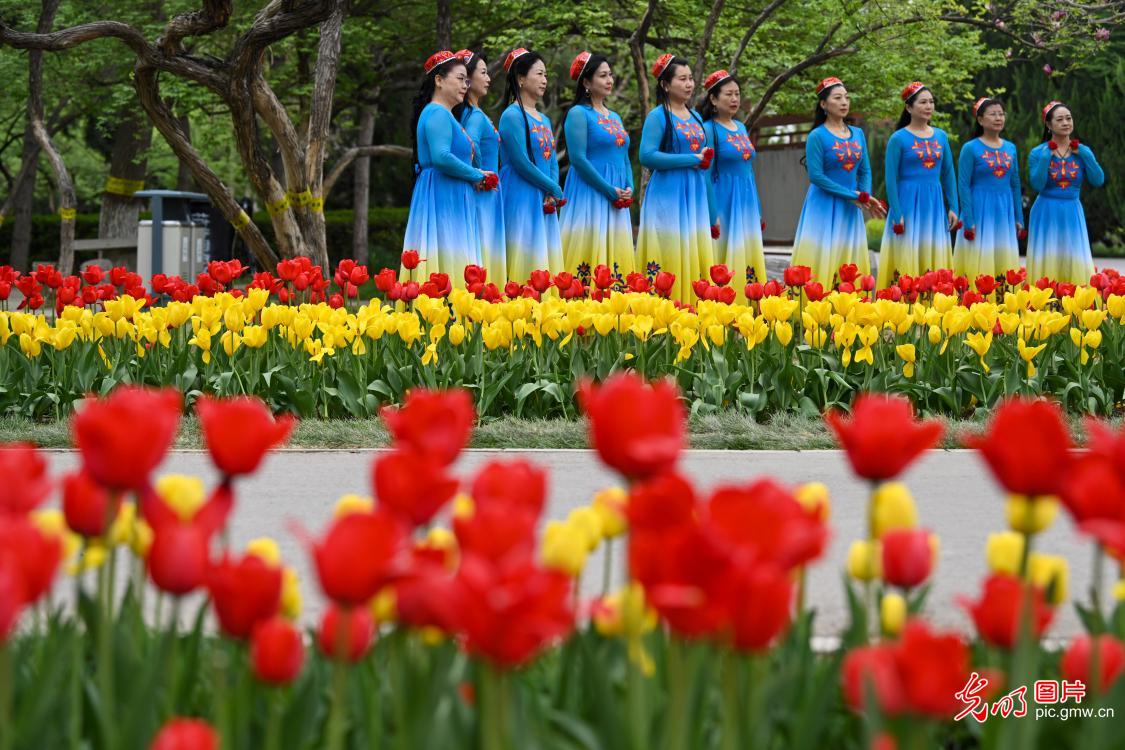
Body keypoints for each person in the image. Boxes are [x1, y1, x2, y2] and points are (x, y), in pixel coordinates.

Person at [402, 51, 493, 283]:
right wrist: (476, 175)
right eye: (460, 79)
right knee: (447, 257)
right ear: (439, 80)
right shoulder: (436, 112)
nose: (465, 85)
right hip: (443, 195)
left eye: (467, 80)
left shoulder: (447, 115)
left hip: (451, 193)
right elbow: (441, 157)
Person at [636, 54, 715, 302]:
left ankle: (691, 310)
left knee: (692, 249)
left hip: (694, 193)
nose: (689, 84)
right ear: (665, 85)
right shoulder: (658, 116)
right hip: (667, 195)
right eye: (682, 79)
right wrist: (691, 159)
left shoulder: (697, 118)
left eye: (691, 78)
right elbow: (646, 156)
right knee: (668, 251)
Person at [789, 77, 883, 285]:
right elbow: (816, 176)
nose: (844, 102)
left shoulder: (858, 133)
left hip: (851, 207)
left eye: (847, 98)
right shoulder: (817, 136)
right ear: (823, 104)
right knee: (820, 258)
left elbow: (865, 170)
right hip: (823, 206)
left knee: (849, 261)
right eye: (838, 98)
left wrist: (864, 196)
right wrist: (853, 196)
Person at [559, 51, 635, 287]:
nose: (609, 80)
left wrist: (629, 187)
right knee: (588, 249)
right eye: (603, 75)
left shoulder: (615, 116)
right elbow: (578, 159)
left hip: (617, 196)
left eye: (610, 75)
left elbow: (624, 157)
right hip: (590, 192)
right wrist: (608, 189)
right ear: (586, 82)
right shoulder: (578, 114)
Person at [877, 81, 959, 288]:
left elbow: (948, 173)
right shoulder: (898, 138)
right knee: (907, 252)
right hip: (907, 202)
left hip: (934, 203)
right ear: (909, 107)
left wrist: (954, 207)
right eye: (923, 102)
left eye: (931, 101)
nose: (929, 106)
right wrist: (896, 213)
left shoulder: (941, 136)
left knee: (933, 252)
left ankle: (935, 302)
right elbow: (890, 179)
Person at [498, 48, 564, 284]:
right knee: (523, 252)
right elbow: (521, 162)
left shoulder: (544, 119)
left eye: (546, 75)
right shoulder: (511, 115)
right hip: (520, 193)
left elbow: (551, 159)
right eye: (539, 74)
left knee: (544, 257)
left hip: (544, 196)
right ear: (521, 78)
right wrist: (552, 188)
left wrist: (552, 188)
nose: (544, 80)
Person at [699, 69, 766, 298]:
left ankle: (749, 301)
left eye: (737, 94)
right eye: (728, 94)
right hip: (723, 199)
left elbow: (749, 171)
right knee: (725, 253)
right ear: (714, 99)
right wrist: (711, 213)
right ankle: (724, 304)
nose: (735, 99)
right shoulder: (708, 129)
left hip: (746, 200)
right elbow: (705, 173)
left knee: (748, 250)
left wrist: (757, 208)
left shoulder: (742, 127)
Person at [1026, 100, 1106, 284]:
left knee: (1073, 259)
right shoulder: (1037, 153)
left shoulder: (1082, 151)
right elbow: (1037, 184)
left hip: (1072, 210)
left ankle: (1075, 305)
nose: (1065, 123)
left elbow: (1098, 180)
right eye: (1060, 119)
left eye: (1069, 118)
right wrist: (1047, 156)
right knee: (1047, 260)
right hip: (1045, 211)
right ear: (1048, 125)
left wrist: (1084, 154)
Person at [955, 97, 1023, 282]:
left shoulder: (1011, 148)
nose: (998, 118)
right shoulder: (970, 148)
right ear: (980, 120)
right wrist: (968, 220)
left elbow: (1015, 183)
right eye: (993, 114)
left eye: (1001, 114)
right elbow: (963, 185)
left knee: (1003, 260)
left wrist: (1019, 217)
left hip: (1004, 210)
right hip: (979, 210)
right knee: (979, 258)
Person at [456, 49, 506, 284]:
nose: (488, 78)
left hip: (481, 191)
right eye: (483, 73)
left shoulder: (468, 112)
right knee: (485, 251)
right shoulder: (474, 115)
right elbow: (471, 143)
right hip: (484, 194)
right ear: (467, 78)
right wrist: (480, 174)